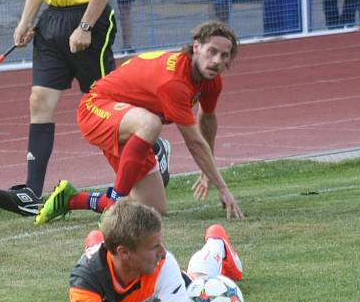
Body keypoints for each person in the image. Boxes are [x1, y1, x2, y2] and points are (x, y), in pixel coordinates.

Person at [34, 20, 245, 225]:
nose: (217, 60)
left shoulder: (211, 81)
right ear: (196, 47)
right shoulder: (175, 82)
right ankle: (115, 202)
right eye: (212, 51)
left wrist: (207, 173)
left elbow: (207, 119)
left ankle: (72, 199)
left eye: (224, 56)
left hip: (131, 126)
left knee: (153, 209)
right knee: (151, 123)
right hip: (96, 109)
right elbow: (194, 142)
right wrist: (223, 188)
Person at [0, 0, 120, 218]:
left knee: (103, 106)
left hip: (88, 19)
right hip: (51, 21)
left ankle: (146, 162)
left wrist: (86, 26)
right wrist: (25, 21)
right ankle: (32, 192)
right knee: (39, 101)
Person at [69, 198, 244, 302]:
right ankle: (95, 243)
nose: (163, 251)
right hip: (114, 297)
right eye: (154, 246)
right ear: (123, 252)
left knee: (199, 284)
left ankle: (216, 242)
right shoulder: (87, 275)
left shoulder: (163, 263)